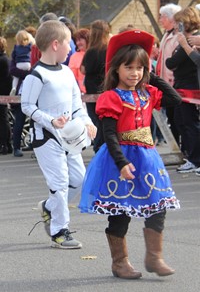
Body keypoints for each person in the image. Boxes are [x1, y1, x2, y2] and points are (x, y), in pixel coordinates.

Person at [79, 29, 181, 279]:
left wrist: (151, 76)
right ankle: (120, 262)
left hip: (147, 159)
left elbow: (174, 99)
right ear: (116, 70)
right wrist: (122, 163)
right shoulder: (111, 97)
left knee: (158, 206)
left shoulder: (147, 93)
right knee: (120, 212)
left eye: (139, 67)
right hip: (119, 161)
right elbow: (109, 135)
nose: (134, 73)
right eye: (129, 67)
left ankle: (154, 257)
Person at [21, 20, 96, 249]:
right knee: (60, 182)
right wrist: (50, 120)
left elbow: (76, 103)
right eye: (68, 43)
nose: (71, 48)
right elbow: (27, 106)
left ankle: (49, 207)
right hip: (46, 137)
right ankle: (59, 231)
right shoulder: (37, 75)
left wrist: (86, 121)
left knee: (79, 179)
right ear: (55, 44)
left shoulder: (65, 72)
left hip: (69, 137)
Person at [166, 6, 200, 174]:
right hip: (182, 86)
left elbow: (173, 62)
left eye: (180, 22)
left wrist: (183, 45)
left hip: (190, 88)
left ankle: (195, 159)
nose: (177, 26)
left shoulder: (193, 39)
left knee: (190, 124)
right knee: (182, 122)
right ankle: (192, 157)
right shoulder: (187, 39)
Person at [81, 19, 110, 153]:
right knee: (106, 119)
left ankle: (99, 146)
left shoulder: (91, 51)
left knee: (96, 119)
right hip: (106, 87)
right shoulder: (110, 49)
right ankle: (104, 145)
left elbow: (84, 69)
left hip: (92, 88)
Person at [156, 3, 182, 147]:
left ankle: (182, 149)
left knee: (178, 119)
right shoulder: (167, 34)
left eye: (162, 16)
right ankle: (178, 147)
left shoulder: (177, 36)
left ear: (169, 18)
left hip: (174, 83)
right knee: (171, 118)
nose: (160, 19)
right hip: (165, 82)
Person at [0, 37, 13, 155]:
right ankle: (7, 144)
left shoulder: (2, 60)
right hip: (4, 92)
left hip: (2, 93)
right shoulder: (5, 59)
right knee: (4, 120)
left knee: (2, 120)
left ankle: (4, 144)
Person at [10, 30, 32, 96]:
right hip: (28, 64)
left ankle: (14, 88)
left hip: (19, 64)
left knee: (16, 78)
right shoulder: (29, 46)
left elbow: (12, 56)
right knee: (27, 78)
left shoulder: (16, 47)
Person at [68, 28, 90, 94]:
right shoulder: (74, 57)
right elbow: (72, 78)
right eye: (76, 41)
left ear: (87, 39)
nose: (78, 43)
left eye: (80, 40)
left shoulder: (96, 53)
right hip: (82, 94)